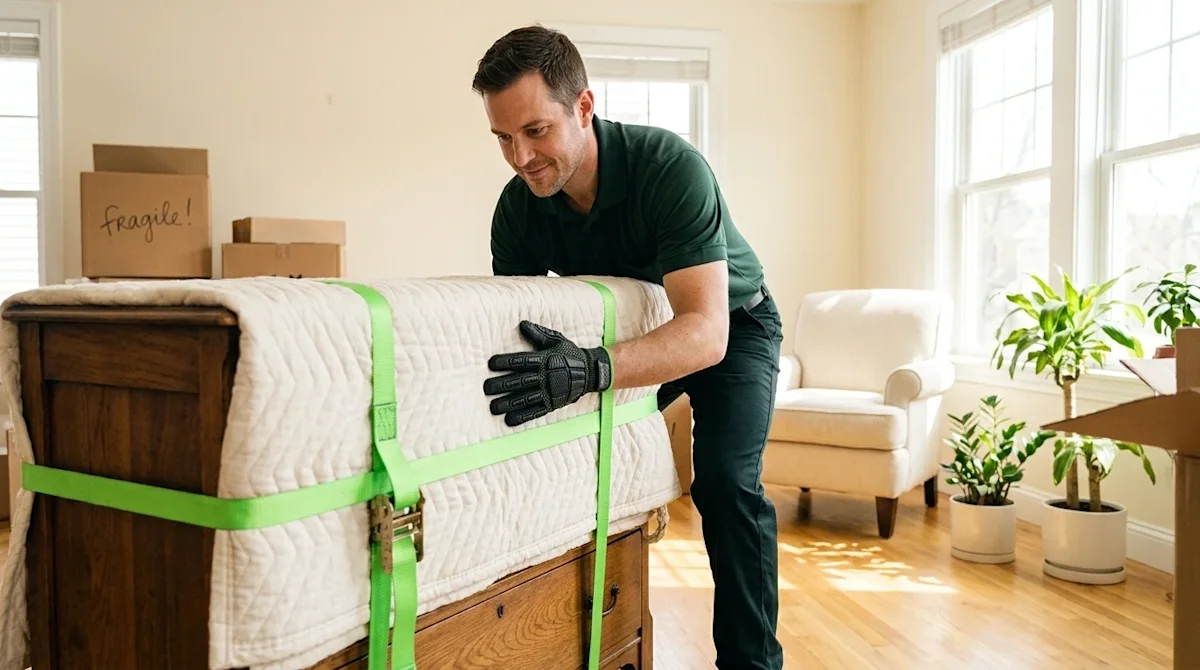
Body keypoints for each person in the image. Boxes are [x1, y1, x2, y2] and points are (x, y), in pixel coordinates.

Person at [471, 25, 785, 670]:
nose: (520, 157)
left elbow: (704, 331)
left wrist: (591, 369)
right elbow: (521, 324)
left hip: (733, 328)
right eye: (503, 138)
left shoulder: (669, 167)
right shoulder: (519, 208)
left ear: (583, 108)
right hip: (628, 339)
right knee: (578, 465)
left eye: (536, 131)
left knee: (726, 486)